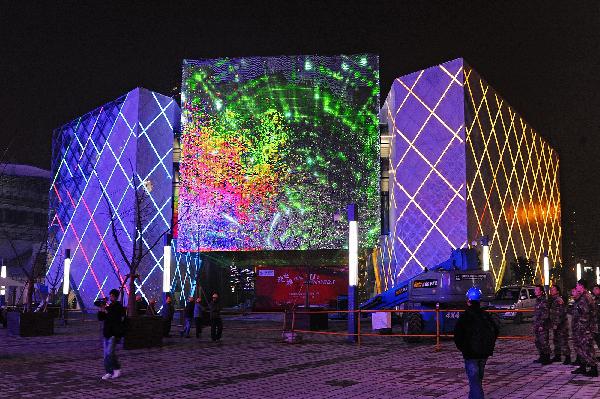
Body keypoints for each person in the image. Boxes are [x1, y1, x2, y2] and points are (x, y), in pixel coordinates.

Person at [454, 287, 499, 399]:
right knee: (477, 380)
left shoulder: (465, 317)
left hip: (470, 354)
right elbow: (495, 330)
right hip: (484, 353)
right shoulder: (486, 315)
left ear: (468, 301)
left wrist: (464, 349)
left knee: (474, 382)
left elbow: (458, 336)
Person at [97, 289, 125, 380]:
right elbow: (101, 318)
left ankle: (117, 368)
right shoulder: (108, 307)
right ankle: (109, 371)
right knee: (106, 355)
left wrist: (106, 311)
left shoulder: (118, 307)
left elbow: (114, 318)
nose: (111, 297)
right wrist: (101, 310)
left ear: (116, 297)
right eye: (110, 295)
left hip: (114, 334)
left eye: (112, 296)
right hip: (106, 333)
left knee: (110, 353)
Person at [571, 280, 598, 376]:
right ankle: (582, 367)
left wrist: (581, 328)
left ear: (581, 286)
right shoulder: (582, 297)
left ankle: (593, 368)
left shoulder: (586, 297)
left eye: (577, 285)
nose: (576, 287)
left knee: (587, 348)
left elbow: (586, 315)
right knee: (580, 348)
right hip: (581, 328)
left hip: (586, 329)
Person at [549, 285, 571, 364]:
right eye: (551, 289)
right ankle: (557, 356)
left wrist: (556, 324)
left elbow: (561, 313)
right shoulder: (553, 300)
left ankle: (567, 357)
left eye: (553, 290)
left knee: (563, 341)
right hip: (556, 324)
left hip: (561, 325)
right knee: (556, 341)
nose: (551, 291)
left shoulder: (558, 300)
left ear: (557, 291)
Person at [532, 284, 551, 365]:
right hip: (537, 324)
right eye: (535, 290)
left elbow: (545, 314)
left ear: (541, 292)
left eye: (537, 290)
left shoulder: (544, 301)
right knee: (538, 341)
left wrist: (541, 324)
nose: (535, 291)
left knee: (544, 342)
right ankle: (542, 356)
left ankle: (546, 358)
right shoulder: (537, 300)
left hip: (542, 325)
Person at [592, 284, 600, 357]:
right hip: (595, 323)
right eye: (594, 289)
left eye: (596, 288)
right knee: (597, 339)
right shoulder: (593, 299)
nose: (594, 290)